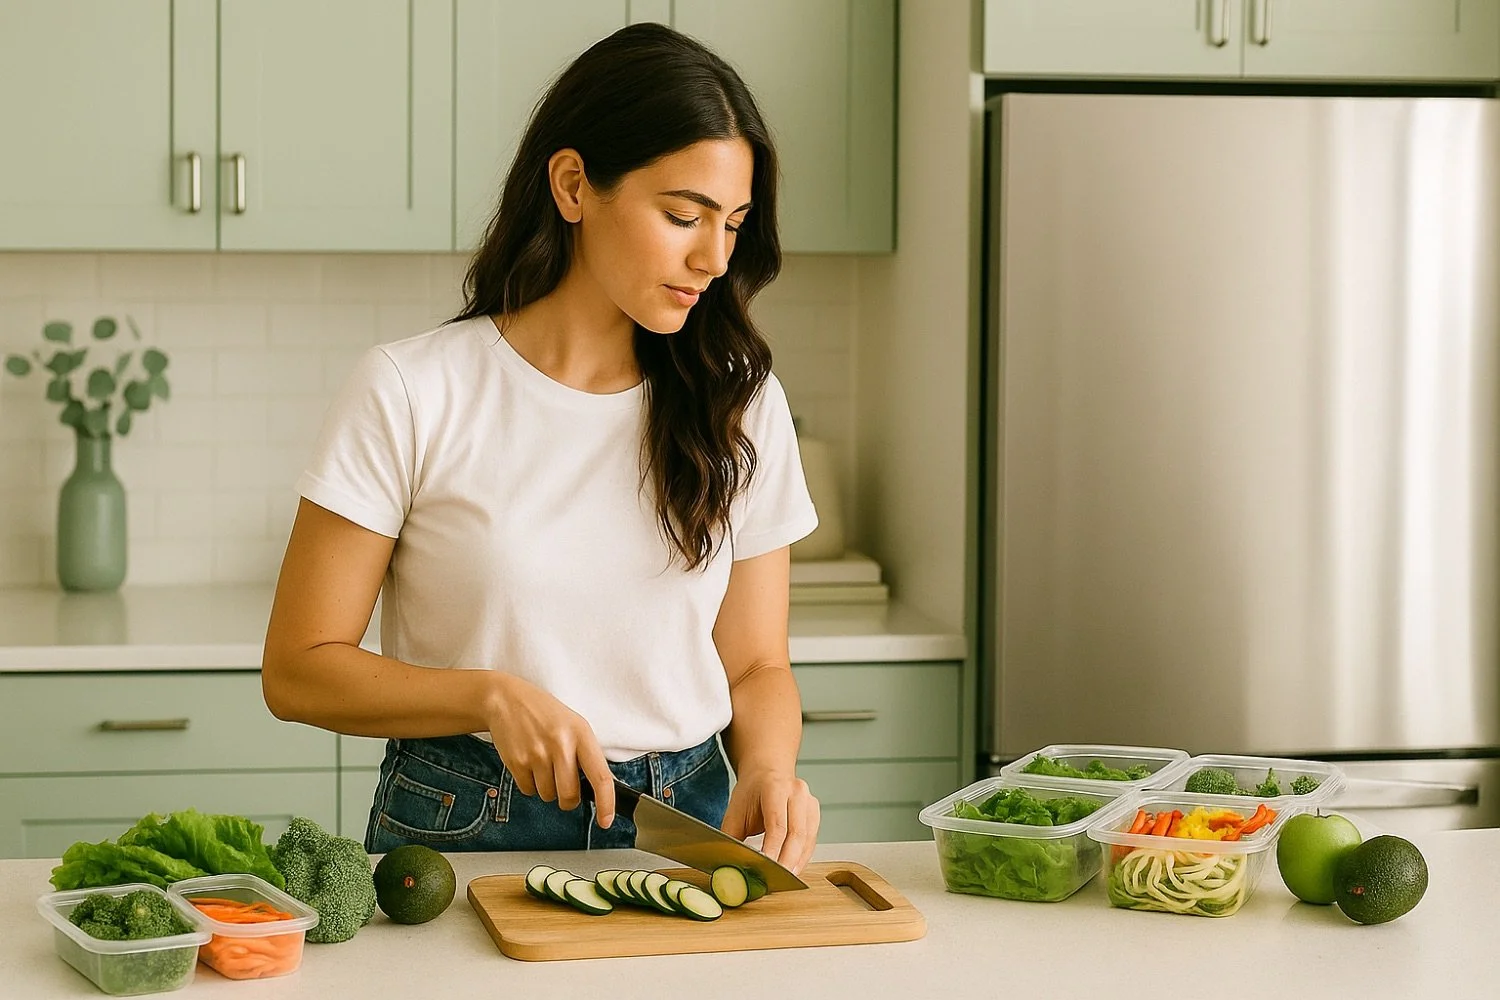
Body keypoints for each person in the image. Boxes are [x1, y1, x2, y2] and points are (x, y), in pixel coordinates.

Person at [260, 22, 822, 875]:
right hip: (466, 821)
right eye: (682, 216)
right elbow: (298, 670)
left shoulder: (738, 400)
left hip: (689, 822)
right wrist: (487, 694)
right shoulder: (414, 390)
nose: (712, 258)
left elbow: (755, 664)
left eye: (734, 225)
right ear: (572, 185)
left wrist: (773, 768)